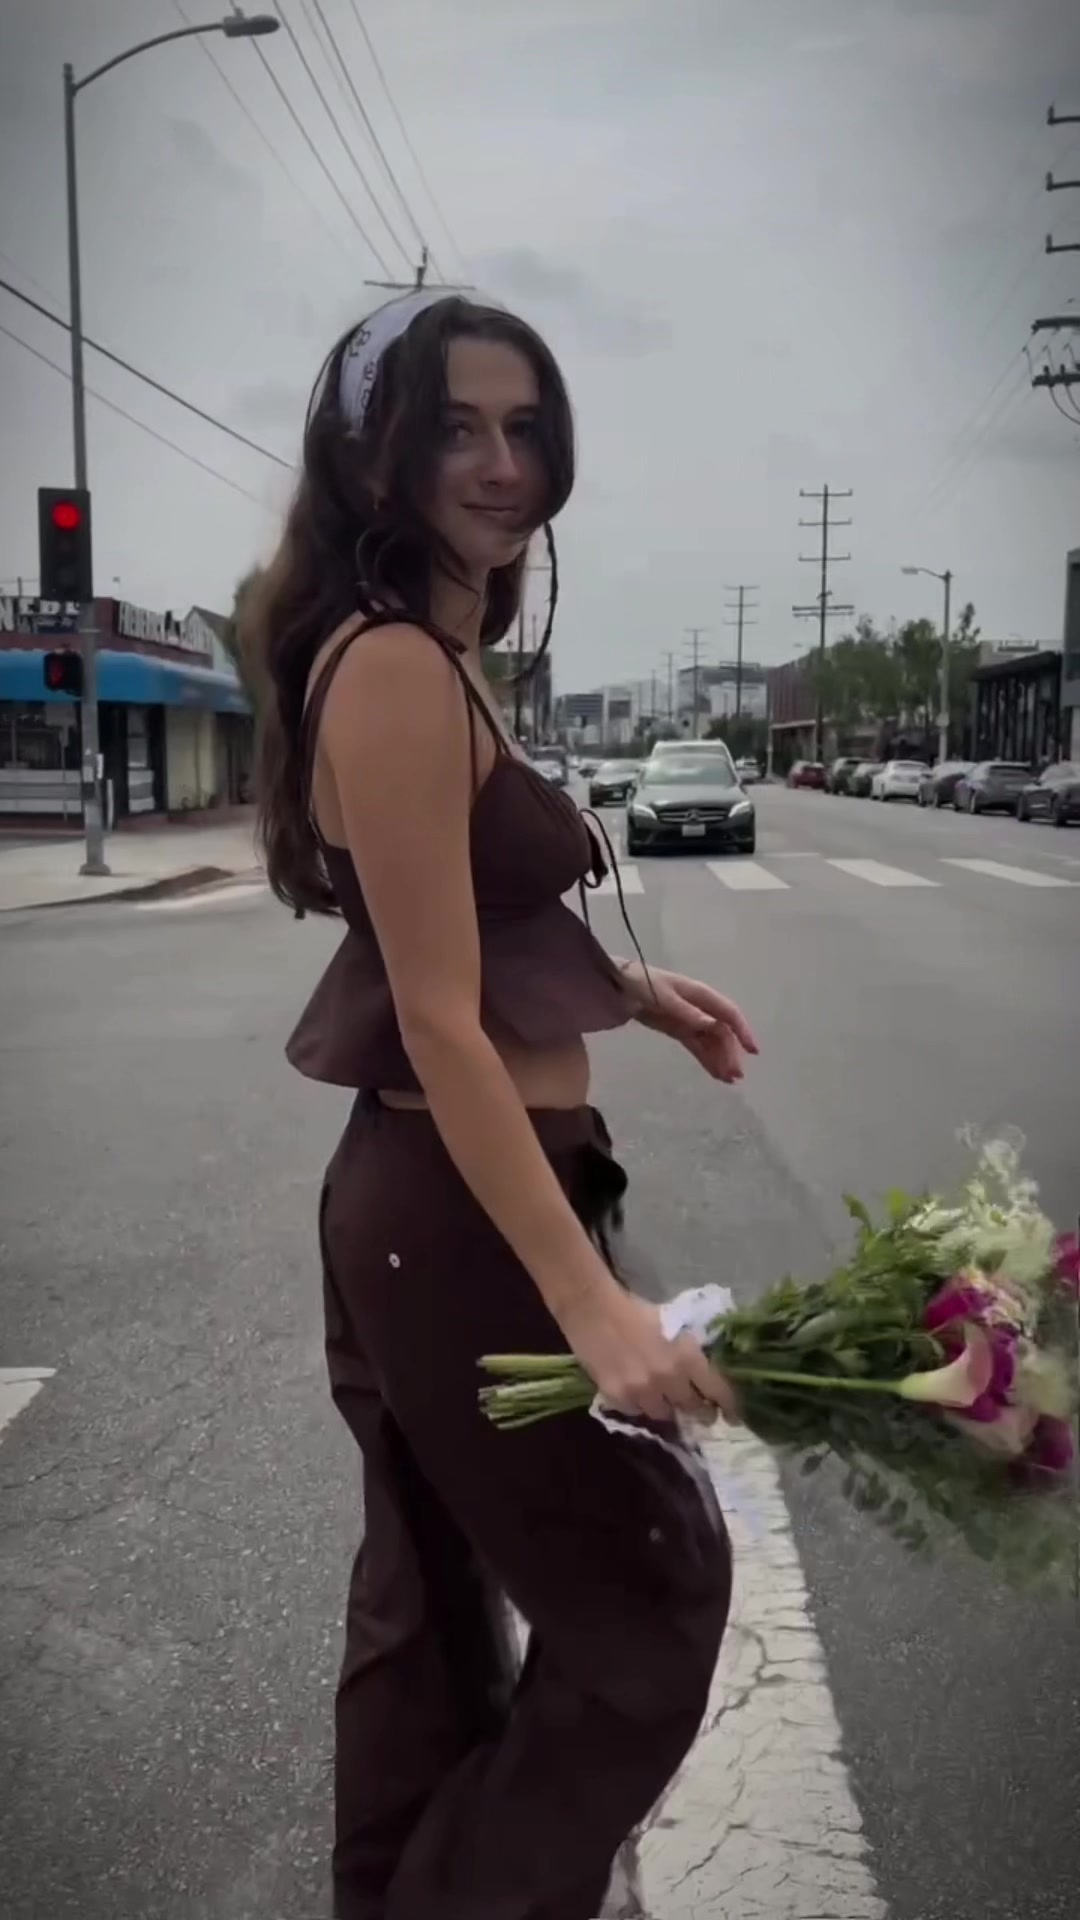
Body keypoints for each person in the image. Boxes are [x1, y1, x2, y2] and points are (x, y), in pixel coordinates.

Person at [247, 289, 758, 1920]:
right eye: (455, 428)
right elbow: (440, 1019)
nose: (501, 464)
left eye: (525, 427)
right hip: (455, 1206)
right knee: (646, 1599)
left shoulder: (431, 658)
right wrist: (589, 1304)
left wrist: (634, 994)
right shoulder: (397, 667)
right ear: (372, 459)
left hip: (435, 1195)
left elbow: (459, 925)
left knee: (433, 1615)